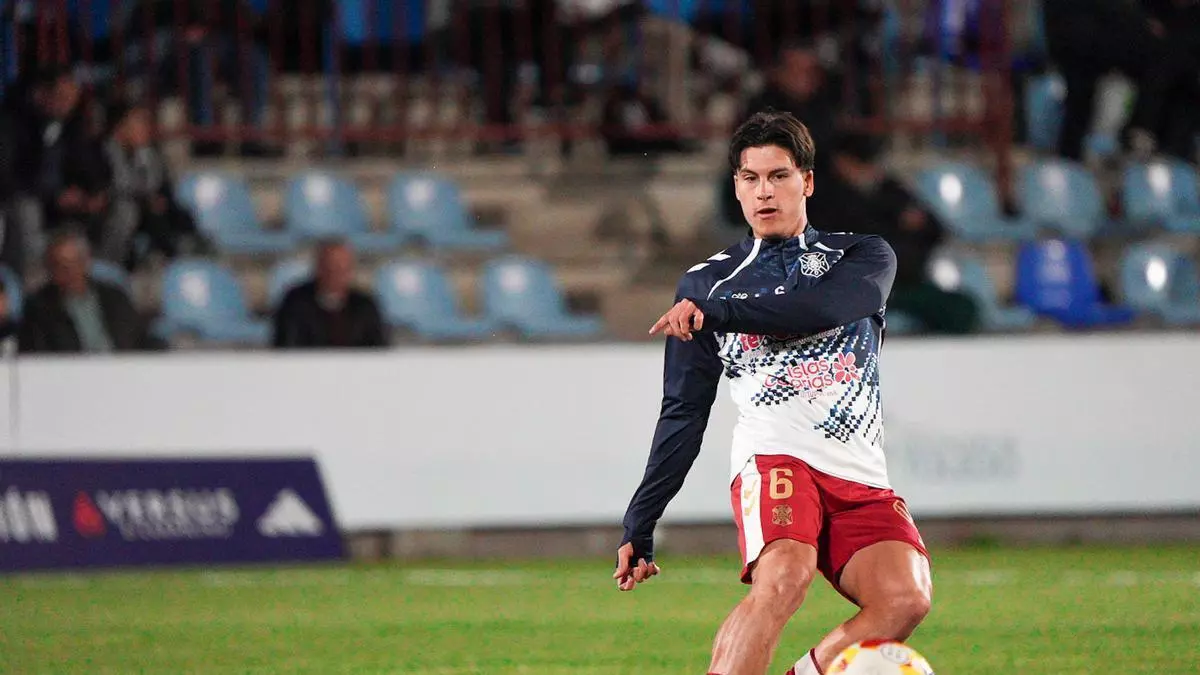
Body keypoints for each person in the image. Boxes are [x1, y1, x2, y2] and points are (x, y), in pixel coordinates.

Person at [614, 111, 931, 675]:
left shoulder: (862, 256)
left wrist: (716, 313)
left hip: (859, 472)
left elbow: (819, 309)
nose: (765, 191)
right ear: (736, 188)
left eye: (779, 176)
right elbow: (684, 410)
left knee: (904, 599)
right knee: (784, 575)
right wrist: (641, 518)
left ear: (806, 181)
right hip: (776, 459)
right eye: (750, 178)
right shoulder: (706, 281)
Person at [18, 230, 148, 353]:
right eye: (60, 266)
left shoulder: (115, 298)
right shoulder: (39, 308)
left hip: (122, 365)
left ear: (85, 263)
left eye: (73, 264)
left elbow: (137, 337)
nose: (69, 273)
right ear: (50, 269)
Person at [272, 239, 387, 349]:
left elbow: (377, 349)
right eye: (329, 266)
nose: (335, 273)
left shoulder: (365, 306)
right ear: (318, 267)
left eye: (341, 267)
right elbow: (287, 345)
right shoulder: (295, 302)